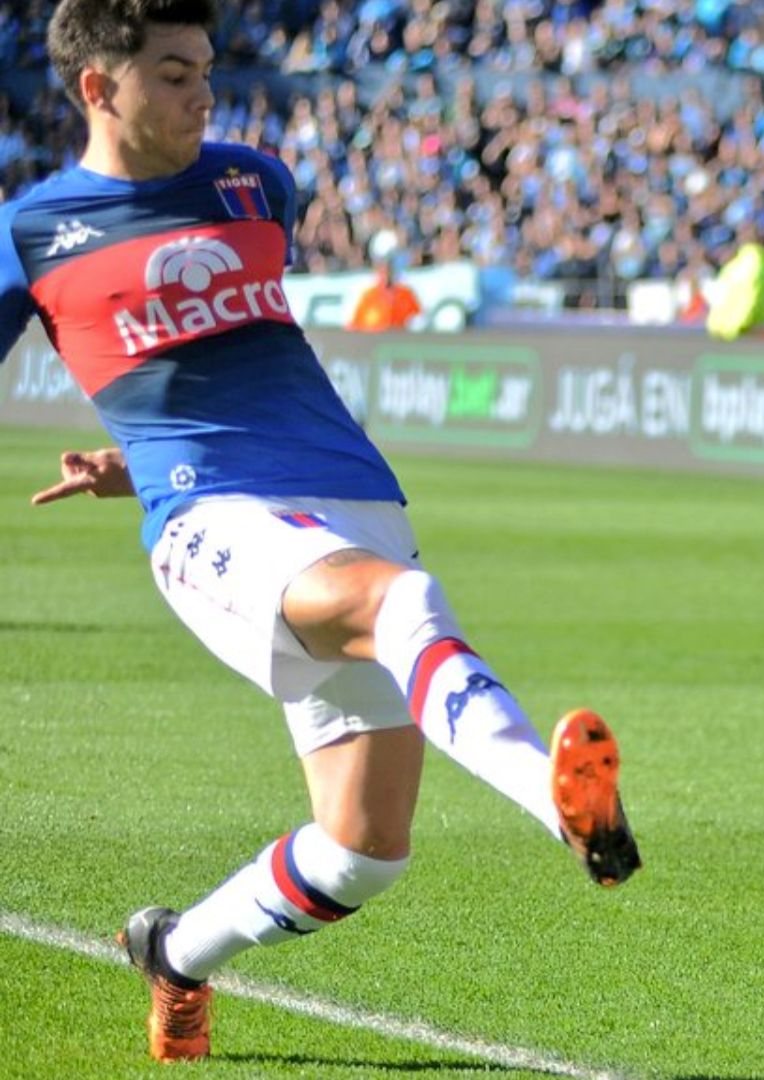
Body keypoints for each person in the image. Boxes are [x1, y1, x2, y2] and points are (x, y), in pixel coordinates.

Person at [2, 0, 642, 1063]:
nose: (201, 91)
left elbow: (229, 348)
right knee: (399, 605)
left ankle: (175, 955)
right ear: (96, 89)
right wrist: (159, 464)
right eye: (170, 72)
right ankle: (558, 803)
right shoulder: (34, 230)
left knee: (363, 851)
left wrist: (130, 452)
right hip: (211, 521)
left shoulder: (253, 180)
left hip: (349, 497)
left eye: (206, 67)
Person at [346, 256, 423, 331]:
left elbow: (418, 318)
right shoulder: (369, 295)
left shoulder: (405, 293)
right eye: (381, 270)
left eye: (388, 270)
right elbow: (356, 322)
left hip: (398, 337)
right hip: (373, 337)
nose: (385, 274)